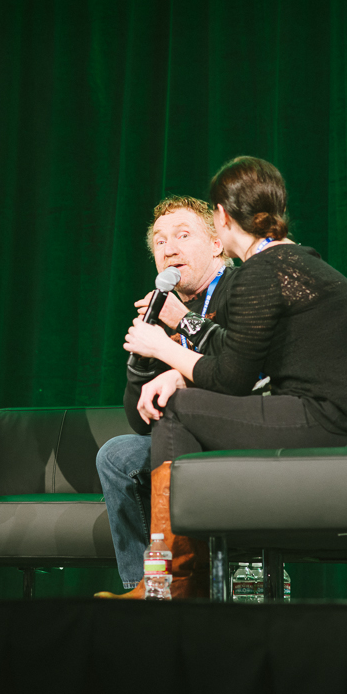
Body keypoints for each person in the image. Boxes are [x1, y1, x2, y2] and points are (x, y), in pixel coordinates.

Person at [123, 157, 347, 480]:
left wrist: (163, 349)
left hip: (339, 423)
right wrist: (176, 371)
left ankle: (175, 532)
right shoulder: (291, 261)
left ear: (222, 218)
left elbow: (232, 379)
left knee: (176, 409)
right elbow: (239, 355)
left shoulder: (260, 272)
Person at [96, 196, 236, 591]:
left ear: (216, 244)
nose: (168, 248)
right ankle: (147, 587)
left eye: (182, 235)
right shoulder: (165, 308)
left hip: (240, 430)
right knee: (119, 455)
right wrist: (143, 356)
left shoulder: (239, 289)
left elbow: (241, 366)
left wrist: (184, 322)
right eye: (159, 241)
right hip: (179, 436)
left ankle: (187, 583)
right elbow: (139, 420)